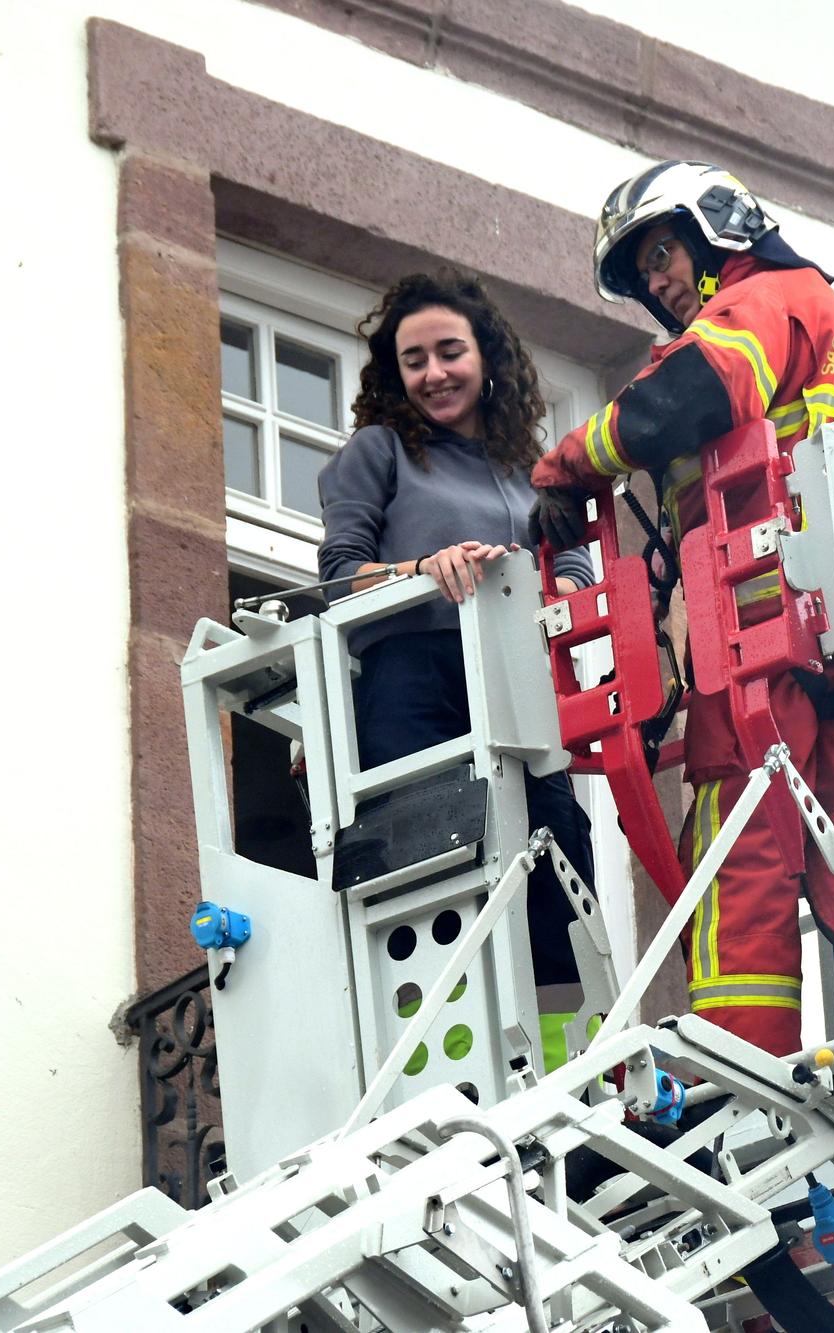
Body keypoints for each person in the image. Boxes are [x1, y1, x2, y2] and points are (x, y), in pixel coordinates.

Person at [530, 162, 834, 1058]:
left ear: (719, 227)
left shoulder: (759, 299)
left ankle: (741, 1082)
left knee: (739, 866)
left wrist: (566, 464)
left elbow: (689, 397)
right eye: (643, 277)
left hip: (766, 639)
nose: (659, 285)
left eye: (662, 256)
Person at [318, 270, 599, 1067]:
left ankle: (563, 1071)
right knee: (429, 874)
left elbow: (575, 563)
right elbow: (337, 574)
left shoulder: (526, 467)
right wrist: (423, 568)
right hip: (411, 674)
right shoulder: (380, 452)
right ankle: (438, 1068)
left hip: (514, 679)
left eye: (450, 352)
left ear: (487, 358)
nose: (434, 373)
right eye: (414, 360)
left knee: (558, 861)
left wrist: (539, 580)